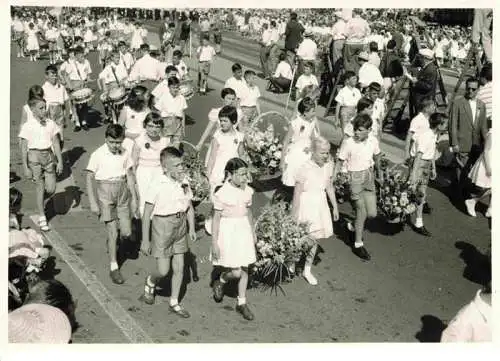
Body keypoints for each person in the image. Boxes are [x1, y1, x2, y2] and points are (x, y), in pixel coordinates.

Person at [140, 147, 197, 318]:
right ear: (165, 168)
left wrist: (192, 228)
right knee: (164, 271)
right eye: (177, 165)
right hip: (162, 226)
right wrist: (145, 240)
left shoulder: (184, 181)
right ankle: (151, 281)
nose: (181, 168)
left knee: (179, 268)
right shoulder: (157, 184)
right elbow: (146, 213)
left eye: (182, 164)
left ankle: (174, 301)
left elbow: (189, 206)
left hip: (180, 226)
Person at [85, 124, 138, 284]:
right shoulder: (98, 154)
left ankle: (116, 239)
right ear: (106, 139)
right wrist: (93, 202)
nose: (115, 146)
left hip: (122, 191)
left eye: (118, 142)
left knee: (127, 233)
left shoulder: (125, 153)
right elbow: (89, 177)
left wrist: (134, 198)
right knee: (112, 232)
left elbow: (129, 175)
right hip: (105, 192)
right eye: (112, 142)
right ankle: (114, 266)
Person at [211, 158, 257, 321]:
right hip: (228, 231)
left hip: (243, 229)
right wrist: (214, 243)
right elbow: (216, 219)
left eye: (246, 174)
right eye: (242, 174)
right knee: (236, 271)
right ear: (230, 175)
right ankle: (221, 280)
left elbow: (249, 212)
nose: (245, 178)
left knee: (244, 269)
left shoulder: (247, 191)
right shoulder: (221, 193)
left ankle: (241, 303)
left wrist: (253, 232)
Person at [292, 137, 339, 285]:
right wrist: (294, 213)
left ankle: (307, 269)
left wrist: (335, 207)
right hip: (305, 205)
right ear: (313, 151)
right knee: (300, 238)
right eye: (322, 153)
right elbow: (297, 193)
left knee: (314, 240)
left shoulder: (328, 166)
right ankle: (292, 261)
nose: (326, 156)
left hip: (320, 205)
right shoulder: (304, 168)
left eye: (327, 153)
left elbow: (329, 187)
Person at [335, 114, 381, 261]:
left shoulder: (373, 140)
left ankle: (353, 227)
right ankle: (358, 244)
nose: (356, 132)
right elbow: (339, 161)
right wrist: (334, 177)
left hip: (368, 176)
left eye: (360, 130)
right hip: (354, 178)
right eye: (355, 129)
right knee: (361, 211)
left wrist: (380, 174)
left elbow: (377, 156)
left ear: (369, 130)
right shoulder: (348, 143)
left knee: (372, 213)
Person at [18, 97, 63, 232]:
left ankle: (41, 201)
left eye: (45, 107)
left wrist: (60, 161)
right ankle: (42, 215)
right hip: (34, 156)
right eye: (41, 108)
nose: (44, 110)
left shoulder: (51, 123)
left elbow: (55, 143)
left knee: (51, 189)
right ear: (32, 110)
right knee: (39, 185)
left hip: (48, 156)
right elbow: (24, 148)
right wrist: (26, 167)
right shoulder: (28, 126)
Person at [408, 112, 448, 237]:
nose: (447, 126)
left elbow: (430, 154)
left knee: (421, 194)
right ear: (439, 125)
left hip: (426, 166)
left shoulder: (434, 135)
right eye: (445, 123)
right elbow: (418, 156)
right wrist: (414, 174)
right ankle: (398, 213)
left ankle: (418, 222)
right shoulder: (426, 136)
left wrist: (433, 168)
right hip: (419, 166)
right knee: (413, 192)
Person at [448, 77, 487, 199]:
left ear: (478, 89)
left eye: (473, 89)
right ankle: (458, 195)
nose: (470, 91)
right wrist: (454, 143)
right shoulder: (458, 103)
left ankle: (465, 190)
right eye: (468, 88)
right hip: (462, 142)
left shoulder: (482, 105)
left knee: (472, 171)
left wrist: (486, 143)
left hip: (476, 144)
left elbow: (483, 126)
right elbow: (452, 125)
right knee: (461, 170)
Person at [132, 112, 170, 217]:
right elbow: (134, 162)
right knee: (144, 198)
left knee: (159, 197)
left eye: (157, 127)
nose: (154, 130)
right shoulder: (139, 141)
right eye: (150, 126)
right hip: (143, 172)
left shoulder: (165, 141)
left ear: (161, 128)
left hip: (159, 171)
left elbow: (168, 160)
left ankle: (157, 222)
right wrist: (134, 179)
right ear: (145, 126)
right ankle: (144, 224)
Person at [281, 97, 320, 198]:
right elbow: (286, 142)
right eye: (312, 111)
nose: (314, 113)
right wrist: (282, 161)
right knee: (292, 180)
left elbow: (312, 138)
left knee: (304, 181)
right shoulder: (295, 123)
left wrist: (311, 148)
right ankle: (286, 199)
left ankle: (297, 199)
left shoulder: (311, 123)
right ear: (305, 112)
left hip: (306, 154)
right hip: (295, 154)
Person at [205, 106, 245, 194]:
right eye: (221, 120)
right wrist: (208, 175)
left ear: (233, 121)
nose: (222, 123)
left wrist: (245, 172)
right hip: (218, 171)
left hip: (233, 171)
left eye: (225, 121)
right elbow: (212, 158)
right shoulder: (217, 136)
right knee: (217, 196)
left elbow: (241, 156)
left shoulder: (239, 136)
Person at [465, 116, 491, 218]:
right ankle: (473, 201)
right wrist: (488, 167)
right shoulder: (492, 134)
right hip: (488, 161)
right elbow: (486, 151)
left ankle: (491, 209)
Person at [63, 46, 92, 131]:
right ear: (76, 56)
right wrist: (70, 86)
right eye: (81, 56)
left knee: (84, 104)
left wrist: (88, 80)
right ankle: (77, 123)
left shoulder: (86, 62)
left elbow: (88, 73)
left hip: (83, 84)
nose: (83, 58)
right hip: (74, 84)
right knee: (74, 105)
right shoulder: (71, 64)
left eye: (83, 56)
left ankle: (84, 122)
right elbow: (66, 75)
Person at [153, 76, 187, 147]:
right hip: (166, 124)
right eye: (173, 87)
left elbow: (183, 113)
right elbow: (158, 112)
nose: (175, 89)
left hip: (177, 124)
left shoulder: (181, 98)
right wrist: (158, 126)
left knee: (175, 147)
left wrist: (183, 128)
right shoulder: (164, 97)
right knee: (164, 146)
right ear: (168, 87)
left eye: (177, 87)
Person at [405, 48, 438, 119]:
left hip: (425, 99)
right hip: (423, 99)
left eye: (421, 57)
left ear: (425, 58)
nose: (419, 59)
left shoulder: (430, 69)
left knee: (422, 119)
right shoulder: (427, 67)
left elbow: (428, 86)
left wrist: (416, 82)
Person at [42, 65, 74, 136]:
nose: (54, 75)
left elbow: (66, 101)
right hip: (49, 112)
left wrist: (70, 113)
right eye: (52, 73)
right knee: (50, 134)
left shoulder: (61, 87)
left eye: (55, 73)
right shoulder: (44, 88)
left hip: (60, 111)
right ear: (46, 76)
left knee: (60, 134)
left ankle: (60, 145)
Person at [98, 51, 129, 124]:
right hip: (112, 87)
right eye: (116, 57)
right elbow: (102, 77)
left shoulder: (122, 66)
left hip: (121, 87)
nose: (118, 59)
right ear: (112, 58)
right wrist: (105, 88)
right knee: (113, 106)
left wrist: (124, 81)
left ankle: (121, 120)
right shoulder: (109, 67)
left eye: (119, 57)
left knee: (122, 104)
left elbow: (126, 76)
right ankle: (115, 121)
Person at [343, 9, 370, 73]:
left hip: (350, 42)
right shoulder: (364, 21)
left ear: (354, 13)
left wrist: (351, 35)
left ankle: (350, 75)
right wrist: (362, 36)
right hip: (360, 43)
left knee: (348, 61)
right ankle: (358, 74)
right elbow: (368, 32)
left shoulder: (350, 21)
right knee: (359, 61)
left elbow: (345, 32)